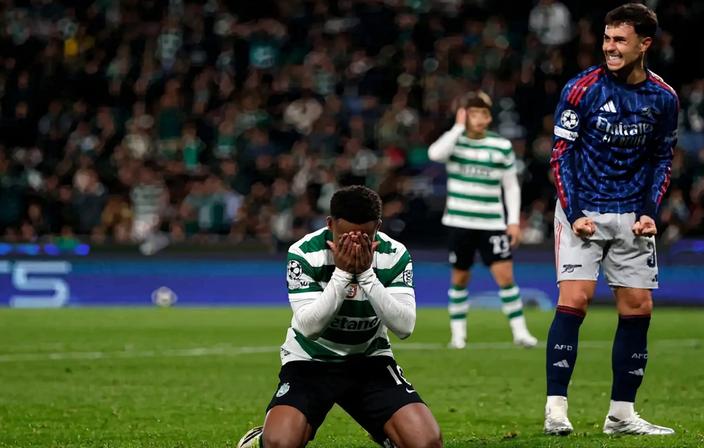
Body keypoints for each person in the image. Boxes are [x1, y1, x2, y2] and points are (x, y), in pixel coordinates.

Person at [544, 3, 678, 436]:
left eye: (620, 40)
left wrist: (649, 212)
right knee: (576, 299)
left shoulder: (664, 98)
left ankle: (621, 415)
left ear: (645, 44)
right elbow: (560, 156)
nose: (610, 48)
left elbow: (662, 158)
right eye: (607, 39)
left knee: (639, 306)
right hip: (581, 210)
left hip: (631, 216)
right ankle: (556, 409)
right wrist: (577, 212)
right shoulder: (581, 89)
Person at [237, 186, 442, 448]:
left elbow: (404, 327)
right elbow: (310, 328)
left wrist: (367, 275)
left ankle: (389, 433)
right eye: (344, 236)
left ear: (378, 227)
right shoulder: (304, 253)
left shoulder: (394, 254)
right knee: (281, 444)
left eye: (365, 237)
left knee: (427, 443)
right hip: (311, 360)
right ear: (330, 224)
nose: (354, 245)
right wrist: (344, 274)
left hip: (369, 360)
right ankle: (259, 439)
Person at [428, 91, 537, 349]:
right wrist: (456, 127)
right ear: (465, 116)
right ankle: (458, 337)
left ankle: (520, 333)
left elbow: (511, 186)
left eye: (483, 113)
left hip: (492, 223)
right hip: (459, 222)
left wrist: (512, 222)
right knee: (460, 278)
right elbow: (434, 154)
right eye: (473, 113)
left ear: (489, 117)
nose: (478, 118)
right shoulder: (454, 143)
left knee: (505, 276)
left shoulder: (501, 146)